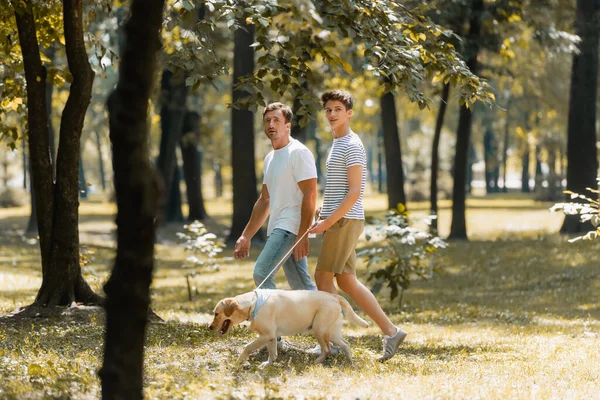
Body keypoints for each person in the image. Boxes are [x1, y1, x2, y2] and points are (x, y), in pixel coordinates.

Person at [309, 90, 407, 362]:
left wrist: (328, 221)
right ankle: (391, 332)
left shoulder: (352, 144)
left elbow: (354, 191)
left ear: (349, 113)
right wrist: (324, 210)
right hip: (340, 219)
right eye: (328, 109)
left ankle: (330, 340)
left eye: (337, 109)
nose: (331, 114)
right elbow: (339, 188)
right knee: (347, 281)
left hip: (344, 221)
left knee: (322, 278)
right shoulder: (338, 142)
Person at [234, 102, 317, 292]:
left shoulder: (299, 152)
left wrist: (303, 235)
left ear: (287, 125)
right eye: (267, 121)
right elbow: (265, 200)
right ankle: (322, 320)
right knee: (301, 284)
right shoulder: (270, 158)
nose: (271, 125)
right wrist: (246, 236)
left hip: (290, 226)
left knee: (262, 273)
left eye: (276, 120)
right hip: (278, 225)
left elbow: (310, 195)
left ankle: (269, 320)